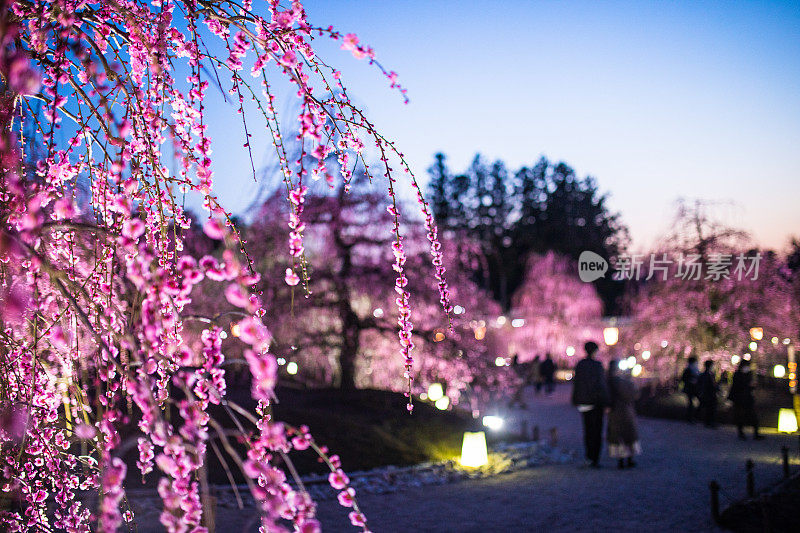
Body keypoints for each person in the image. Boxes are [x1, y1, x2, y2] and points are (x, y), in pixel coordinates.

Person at [571, 341, 611, 468]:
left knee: (587, 430)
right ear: (594, 351)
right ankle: (595, 458)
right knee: (597, 431)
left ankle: (588, 456)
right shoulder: (597, 365)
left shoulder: (580, 365)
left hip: (584, 403)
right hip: (596, 402)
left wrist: (576, 399)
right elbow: (601, 385)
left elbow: (576, 383)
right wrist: (606, 402)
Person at [606, 360, 640, 469]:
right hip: (625, 411)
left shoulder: (608, 381)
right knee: (628, 434)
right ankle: (629, 459)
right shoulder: (622, 382)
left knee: (618, 435)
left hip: (614, 412)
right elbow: (633, 394)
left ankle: (621, 461)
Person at [728, 359, 763, 440]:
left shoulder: (748, 374)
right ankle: (742, 433)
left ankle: (755, 433)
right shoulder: (738, 375)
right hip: (740, 399)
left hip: (747, 399)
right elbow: (737, 386)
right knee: (741, 416)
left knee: (752, 416)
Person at [697, 359, 720, 428]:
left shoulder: (706, 374)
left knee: (709, 408)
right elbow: (709, 385)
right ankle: (709, 422)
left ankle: (708, 422)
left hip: (708, 394)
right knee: (710, 408)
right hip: (709, 394)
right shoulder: (708, 374)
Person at [680, 357, 700, 423]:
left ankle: (692, 417)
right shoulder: (688, 369)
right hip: (690, 388)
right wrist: (690, 380)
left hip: (694, 388)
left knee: (695, 402)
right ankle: (690, 418)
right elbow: (683, 378)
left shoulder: (695, 369)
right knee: (691, 403)